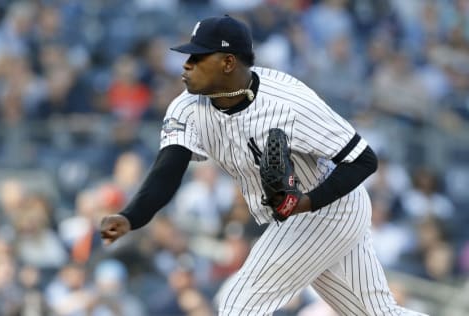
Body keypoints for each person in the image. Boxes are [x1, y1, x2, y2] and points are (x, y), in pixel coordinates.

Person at [100, 15, 429, 315]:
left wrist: (305, 203)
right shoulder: (186, 108)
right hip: (297, 216)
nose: (186, 64)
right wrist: (132, 216)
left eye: (198, 57)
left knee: (238, 304)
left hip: (329, 208)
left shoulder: (289, 102)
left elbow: (363, 160)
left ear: (228, 62)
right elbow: (167, 171)